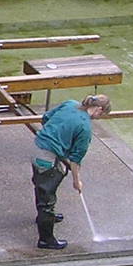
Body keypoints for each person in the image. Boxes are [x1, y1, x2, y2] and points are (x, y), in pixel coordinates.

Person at [30, 94, 111, 250]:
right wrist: (77, 180)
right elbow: (75, 160)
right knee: (47, 197)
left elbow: (46, 118)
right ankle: (46, 240)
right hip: (47, 157)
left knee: (41, 186)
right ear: (99, 109)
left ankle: (46, 218)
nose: (98, 118)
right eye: (101, 115)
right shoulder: (85, 127)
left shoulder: (70, 103)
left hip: (36, 148)